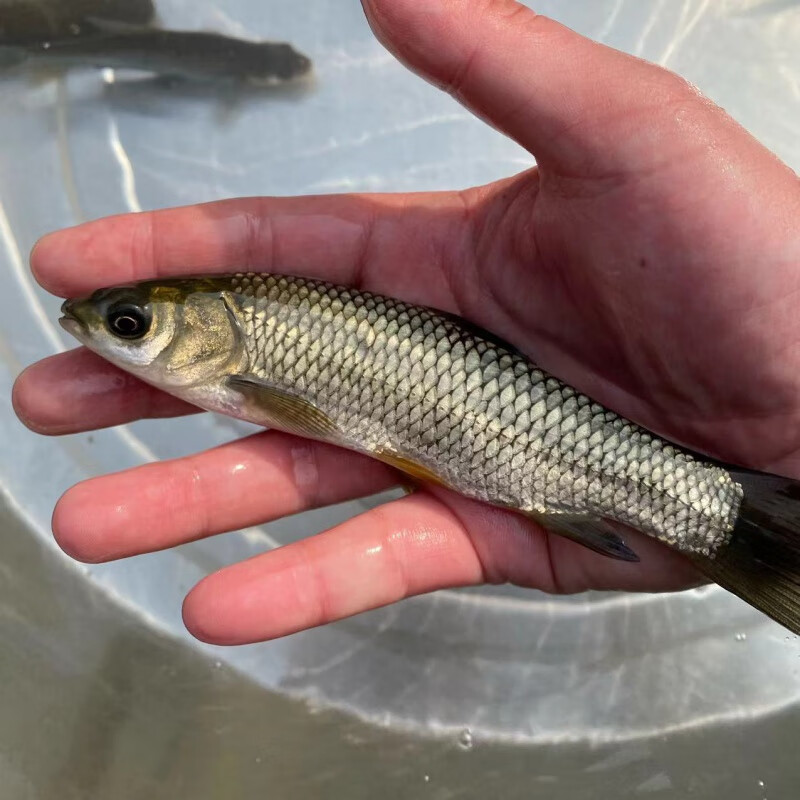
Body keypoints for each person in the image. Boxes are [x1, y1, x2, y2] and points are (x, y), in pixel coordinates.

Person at [12, 0, 800, 646]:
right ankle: (731, 515)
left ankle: (731, 518)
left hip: (565, 445)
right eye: (129, 323)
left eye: (128, 324)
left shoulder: (246, 354)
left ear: (211, 335)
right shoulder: (244, 337)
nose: (111, 331)